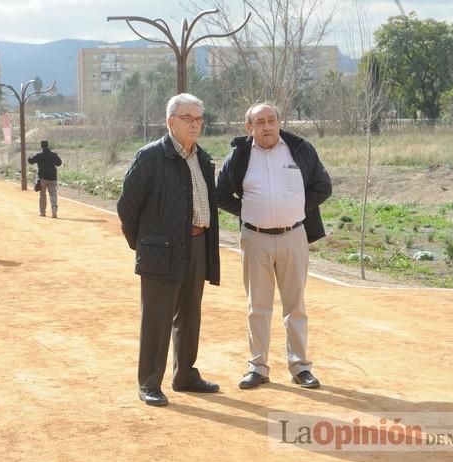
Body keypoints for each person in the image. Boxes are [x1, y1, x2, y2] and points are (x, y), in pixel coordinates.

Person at [216, 102, 332, 390]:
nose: (267, 127)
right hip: (255, 239)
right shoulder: (240, 156)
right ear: (249, 127)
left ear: (279, 122)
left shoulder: (300, 149)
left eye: (271, 120)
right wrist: (246, 211)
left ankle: (300, 366)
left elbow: (323, 185)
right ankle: (258, 367)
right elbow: (219, 193)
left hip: (294, 236)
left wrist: (297, 207)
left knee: (295, 307)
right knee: (258, 306)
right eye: (260, 122)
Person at [117, 93, 221, 407]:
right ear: (170, 121)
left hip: (198, 244)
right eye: (187, 118)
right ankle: (149, 382)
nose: (194, 124)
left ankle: (185, 374)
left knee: (190, 314)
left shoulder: (202, 158)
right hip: (161, 249)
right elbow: (127, 208)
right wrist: (145, 245)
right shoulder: (150, 156)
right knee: (157, 318)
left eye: (199, 118)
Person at [27, 140, 62, 217]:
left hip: (43, 178)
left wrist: (30, 157)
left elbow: (31, 161)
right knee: (53, 194)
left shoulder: (39, 155)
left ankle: (43, 212)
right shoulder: (53, 155)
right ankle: (54, 207)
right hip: (53, 178)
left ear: (41, 146)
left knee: (42, 195)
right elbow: (59, 163)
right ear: (48, 145)